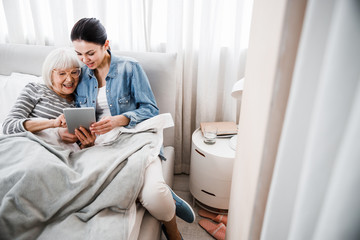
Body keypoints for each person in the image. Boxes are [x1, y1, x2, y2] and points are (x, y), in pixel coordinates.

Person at [63, 17, 195, 240]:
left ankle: (173, 233)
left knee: (156, 198)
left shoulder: (129, 68)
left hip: (134, 137)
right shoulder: (81, 76)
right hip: (101, 146)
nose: (84, 60)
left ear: (106, 44)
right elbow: (80, 116)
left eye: (90, 53)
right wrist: (84, 139)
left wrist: (120, 119)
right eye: (78, 54)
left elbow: (151, 109)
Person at [2, 47, 96, 149]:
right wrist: (53, 123)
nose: (69, 79)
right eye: (62, 73)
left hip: (55, 153)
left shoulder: (80, 103)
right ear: (50, 74)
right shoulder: (35, 89)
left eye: (74, 72)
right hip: (26, 146)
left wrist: (86, 144)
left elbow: (78, 146)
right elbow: (9, 126)